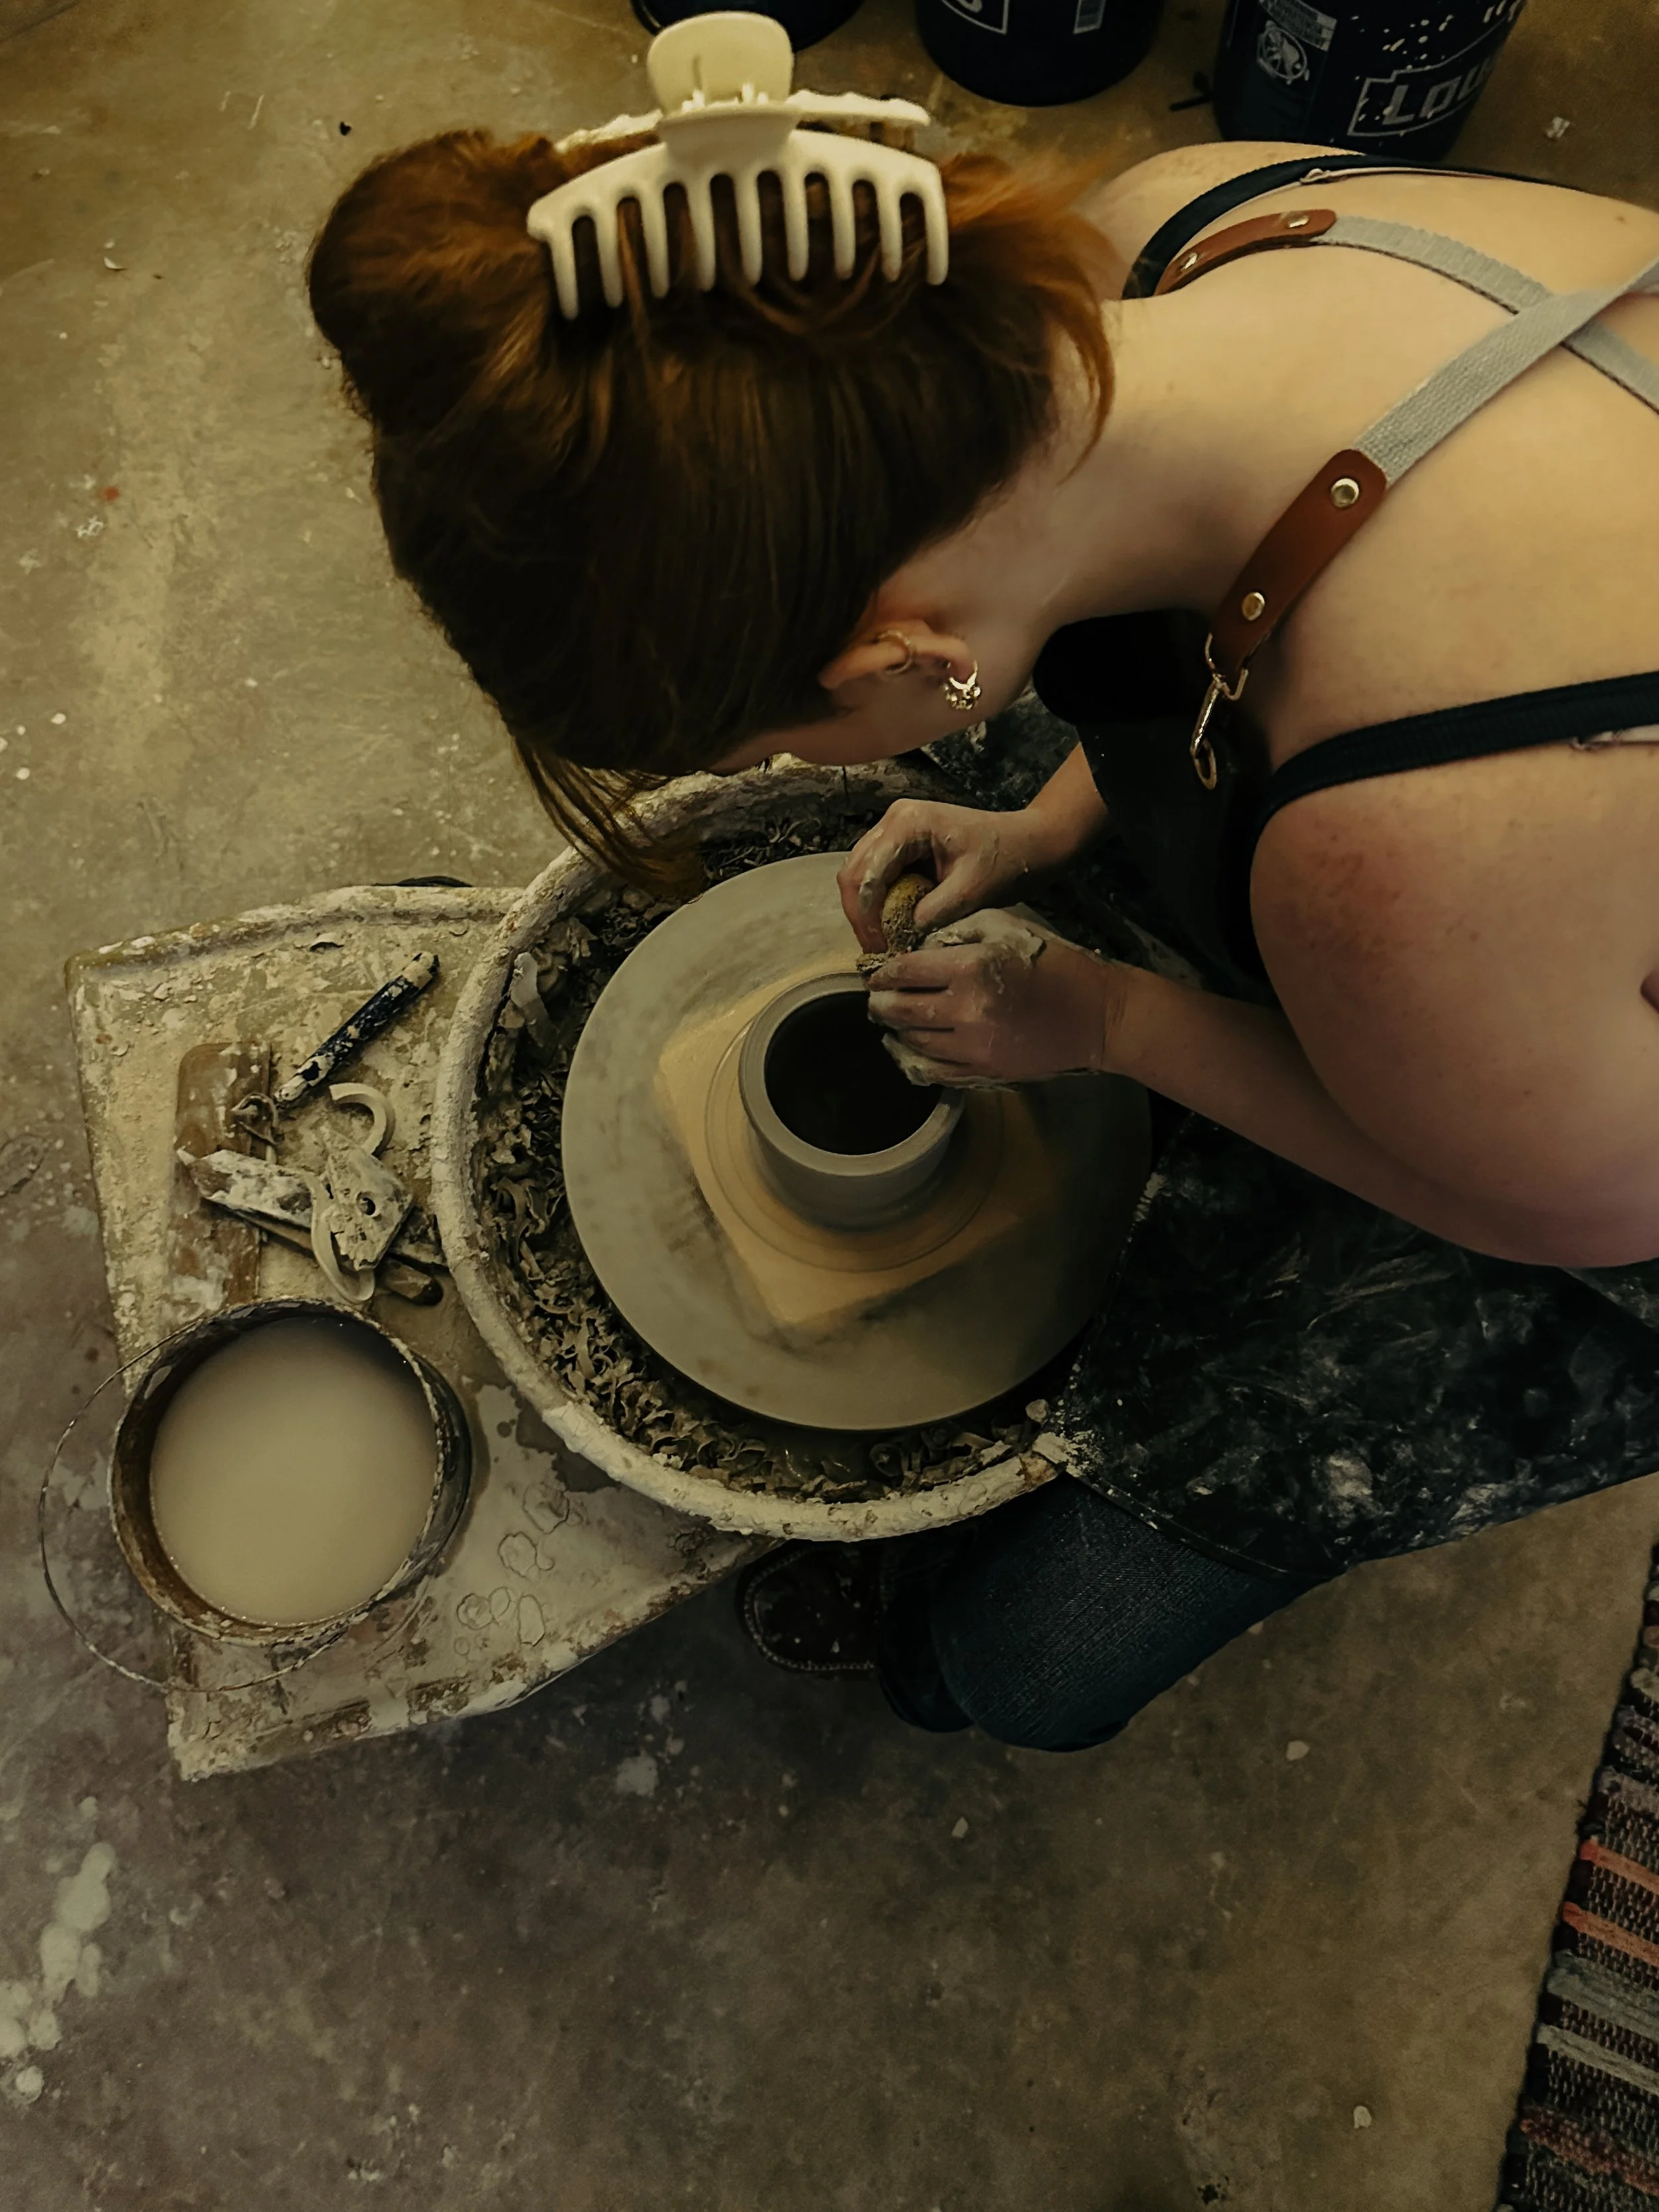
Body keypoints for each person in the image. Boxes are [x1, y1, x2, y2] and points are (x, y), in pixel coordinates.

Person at [309, 119, 1659, 1753]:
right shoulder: (1166, 227)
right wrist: (1054, 821)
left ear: (900, 646)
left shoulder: (1403, 857)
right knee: (1036, 771)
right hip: (1524, 877)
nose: (792, 772)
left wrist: (1108, 1024)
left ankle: (951, 1667)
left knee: (1027, 1664)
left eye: (762, 749)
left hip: (1593, 1145)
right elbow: (1260, 594)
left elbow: (1566, 1205)